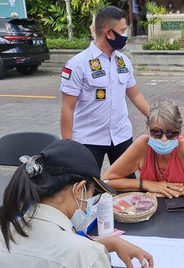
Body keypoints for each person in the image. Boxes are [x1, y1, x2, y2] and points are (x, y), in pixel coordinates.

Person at [0, 140, 154, 268]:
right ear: (79, 190)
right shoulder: (85, 256)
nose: (87, 206)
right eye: (92, 194)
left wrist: (111, 243)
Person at [60, 6, 149, 176]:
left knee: (128, 188)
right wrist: (67, 146)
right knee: (85, 188)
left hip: (121, 136)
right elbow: (67, 107)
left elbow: (135, 94)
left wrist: (155, 118)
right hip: (88, 139)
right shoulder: (78, 64)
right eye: (123, 31)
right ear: (108, 33)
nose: (125, 36)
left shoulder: (123, 61)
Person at [102, 99, 184, 201]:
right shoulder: (142, 145)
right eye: (156, 133)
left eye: (171, 133)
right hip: (152, 210)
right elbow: (106, 181)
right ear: (147, 129)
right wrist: (148, 185)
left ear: (179, 131)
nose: (164, 139)